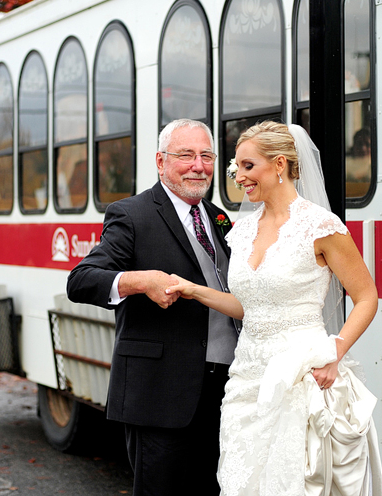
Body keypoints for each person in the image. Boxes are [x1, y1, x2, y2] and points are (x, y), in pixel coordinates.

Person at [166, 121, 382, 496]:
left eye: (248, 167)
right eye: (236, 168)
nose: (239, 177)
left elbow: (367, 297)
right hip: (247, 377)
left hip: (302, 377)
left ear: (279, 164)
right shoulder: (242, 230)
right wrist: (195, 291)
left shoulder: (320, 226)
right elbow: (248, 306)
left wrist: (334, 352)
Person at [66, 119, 238, 496]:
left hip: (225, 390)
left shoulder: (218, 217)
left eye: (206, 155)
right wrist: (142, 281)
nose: (199, 165)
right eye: (186, 155)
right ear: (160, 162)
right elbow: (80, 280)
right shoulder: (131, 214)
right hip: (161, 394)